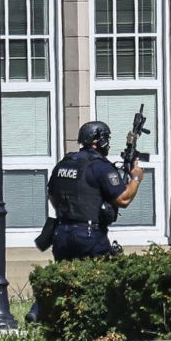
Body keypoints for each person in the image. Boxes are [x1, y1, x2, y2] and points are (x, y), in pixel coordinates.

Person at [26, 121, 144, 322]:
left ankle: (37, 313)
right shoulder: (100, 167)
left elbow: (52, 195)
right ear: (99, 141)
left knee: (61, 277)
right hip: (90, 235)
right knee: (104, 276)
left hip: (61, 232)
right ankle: (98, 322)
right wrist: (135, 178)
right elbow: (123, 199)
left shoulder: (65, 163)